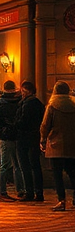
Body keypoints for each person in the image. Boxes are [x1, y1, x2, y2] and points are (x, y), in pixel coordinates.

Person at [40, 80, 75, 212]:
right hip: (73, 144)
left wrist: (43, 139)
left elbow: (45, 125)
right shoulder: (74, 104)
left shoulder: (52, 105)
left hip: (56, 145)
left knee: (57, 174)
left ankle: (62, 200)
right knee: (72, 173)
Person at [0, 79, 25, 202]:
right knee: (17, 164)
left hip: (5, 137)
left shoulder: (0, 103)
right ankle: (20, 190)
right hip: (17, 135)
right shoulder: (20, 101)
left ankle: (1, 191)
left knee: (4, 165)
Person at [15, 81, 45, 203]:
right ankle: (39, 192)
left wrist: (13, 125)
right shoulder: (38, 103)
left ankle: (29, 192)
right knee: (36, 165)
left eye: (22, 91)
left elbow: (23, 121)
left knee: (25, 165)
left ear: (26, 91)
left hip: (24, 138)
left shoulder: (27, 104)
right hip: (35, 137)